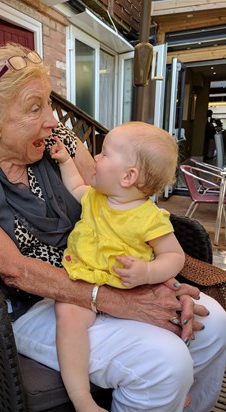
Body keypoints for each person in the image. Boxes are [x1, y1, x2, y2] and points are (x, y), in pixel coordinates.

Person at [0, 42, 226, 412]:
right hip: (37, 304)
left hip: (104, 274)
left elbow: (121, 204)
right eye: (34, 108)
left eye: (49, 103)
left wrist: (155, 279)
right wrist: (121, 301)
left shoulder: (60, 142)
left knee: (213, 322)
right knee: (163, 361)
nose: (53, 120)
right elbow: (15, 269)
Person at [50, 122, 189, 411]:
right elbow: (76, 185)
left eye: (104, 153)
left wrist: (147, 272)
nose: (96, 158)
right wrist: (64, 160)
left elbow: (175, 257)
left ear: (128, 176)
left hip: (131, 290)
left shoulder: (150, 218)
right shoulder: (95, 198)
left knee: (171, 327)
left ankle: (177, 389)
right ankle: (82, 399)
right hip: (84, 282)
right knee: (68, 319)